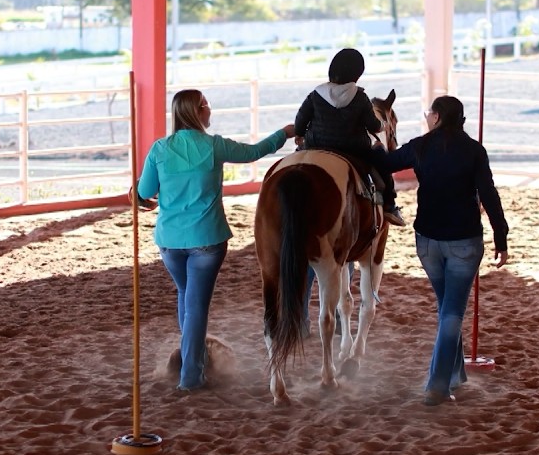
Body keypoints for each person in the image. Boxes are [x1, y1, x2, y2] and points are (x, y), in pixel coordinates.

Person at [135, 89, 295, 391]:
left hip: (170, 241)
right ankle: (190, 376)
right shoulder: (213, 146)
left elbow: (144, 193)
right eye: (207, 105)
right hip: (207, 240)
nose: (210, 110)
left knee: (186, 296)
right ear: (198, 111)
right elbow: (254, 152)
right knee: (195, 306)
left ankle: (193, 358)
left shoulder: (159, 149)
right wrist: (283, 134)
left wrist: (144, 194)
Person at [383, 95, 509, 406]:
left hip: (428, 242)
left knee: (447, 308)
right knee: (451, 312)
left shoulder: (421, 146)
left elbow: (386, 162)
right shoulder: (474, 150)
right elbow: (489, 195)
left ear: (437, 117)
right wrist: (501, 237)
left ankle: (455, 374)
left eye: (430, 113)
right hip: (464, 242)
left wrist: (367, 145)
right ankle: (438, 385)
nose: (427, 117)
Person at [294, 48, 405, 226]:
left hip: (316, 145)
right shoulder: (360, 97)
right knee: (381, 156)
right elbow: (373, 126)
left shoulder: (316, 94)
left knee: (295, 162)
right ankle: (390, 205)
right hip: (354, 149)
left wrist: (300, 134)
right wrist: (382, 125)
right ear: (357, 75)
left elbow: (300, 120)